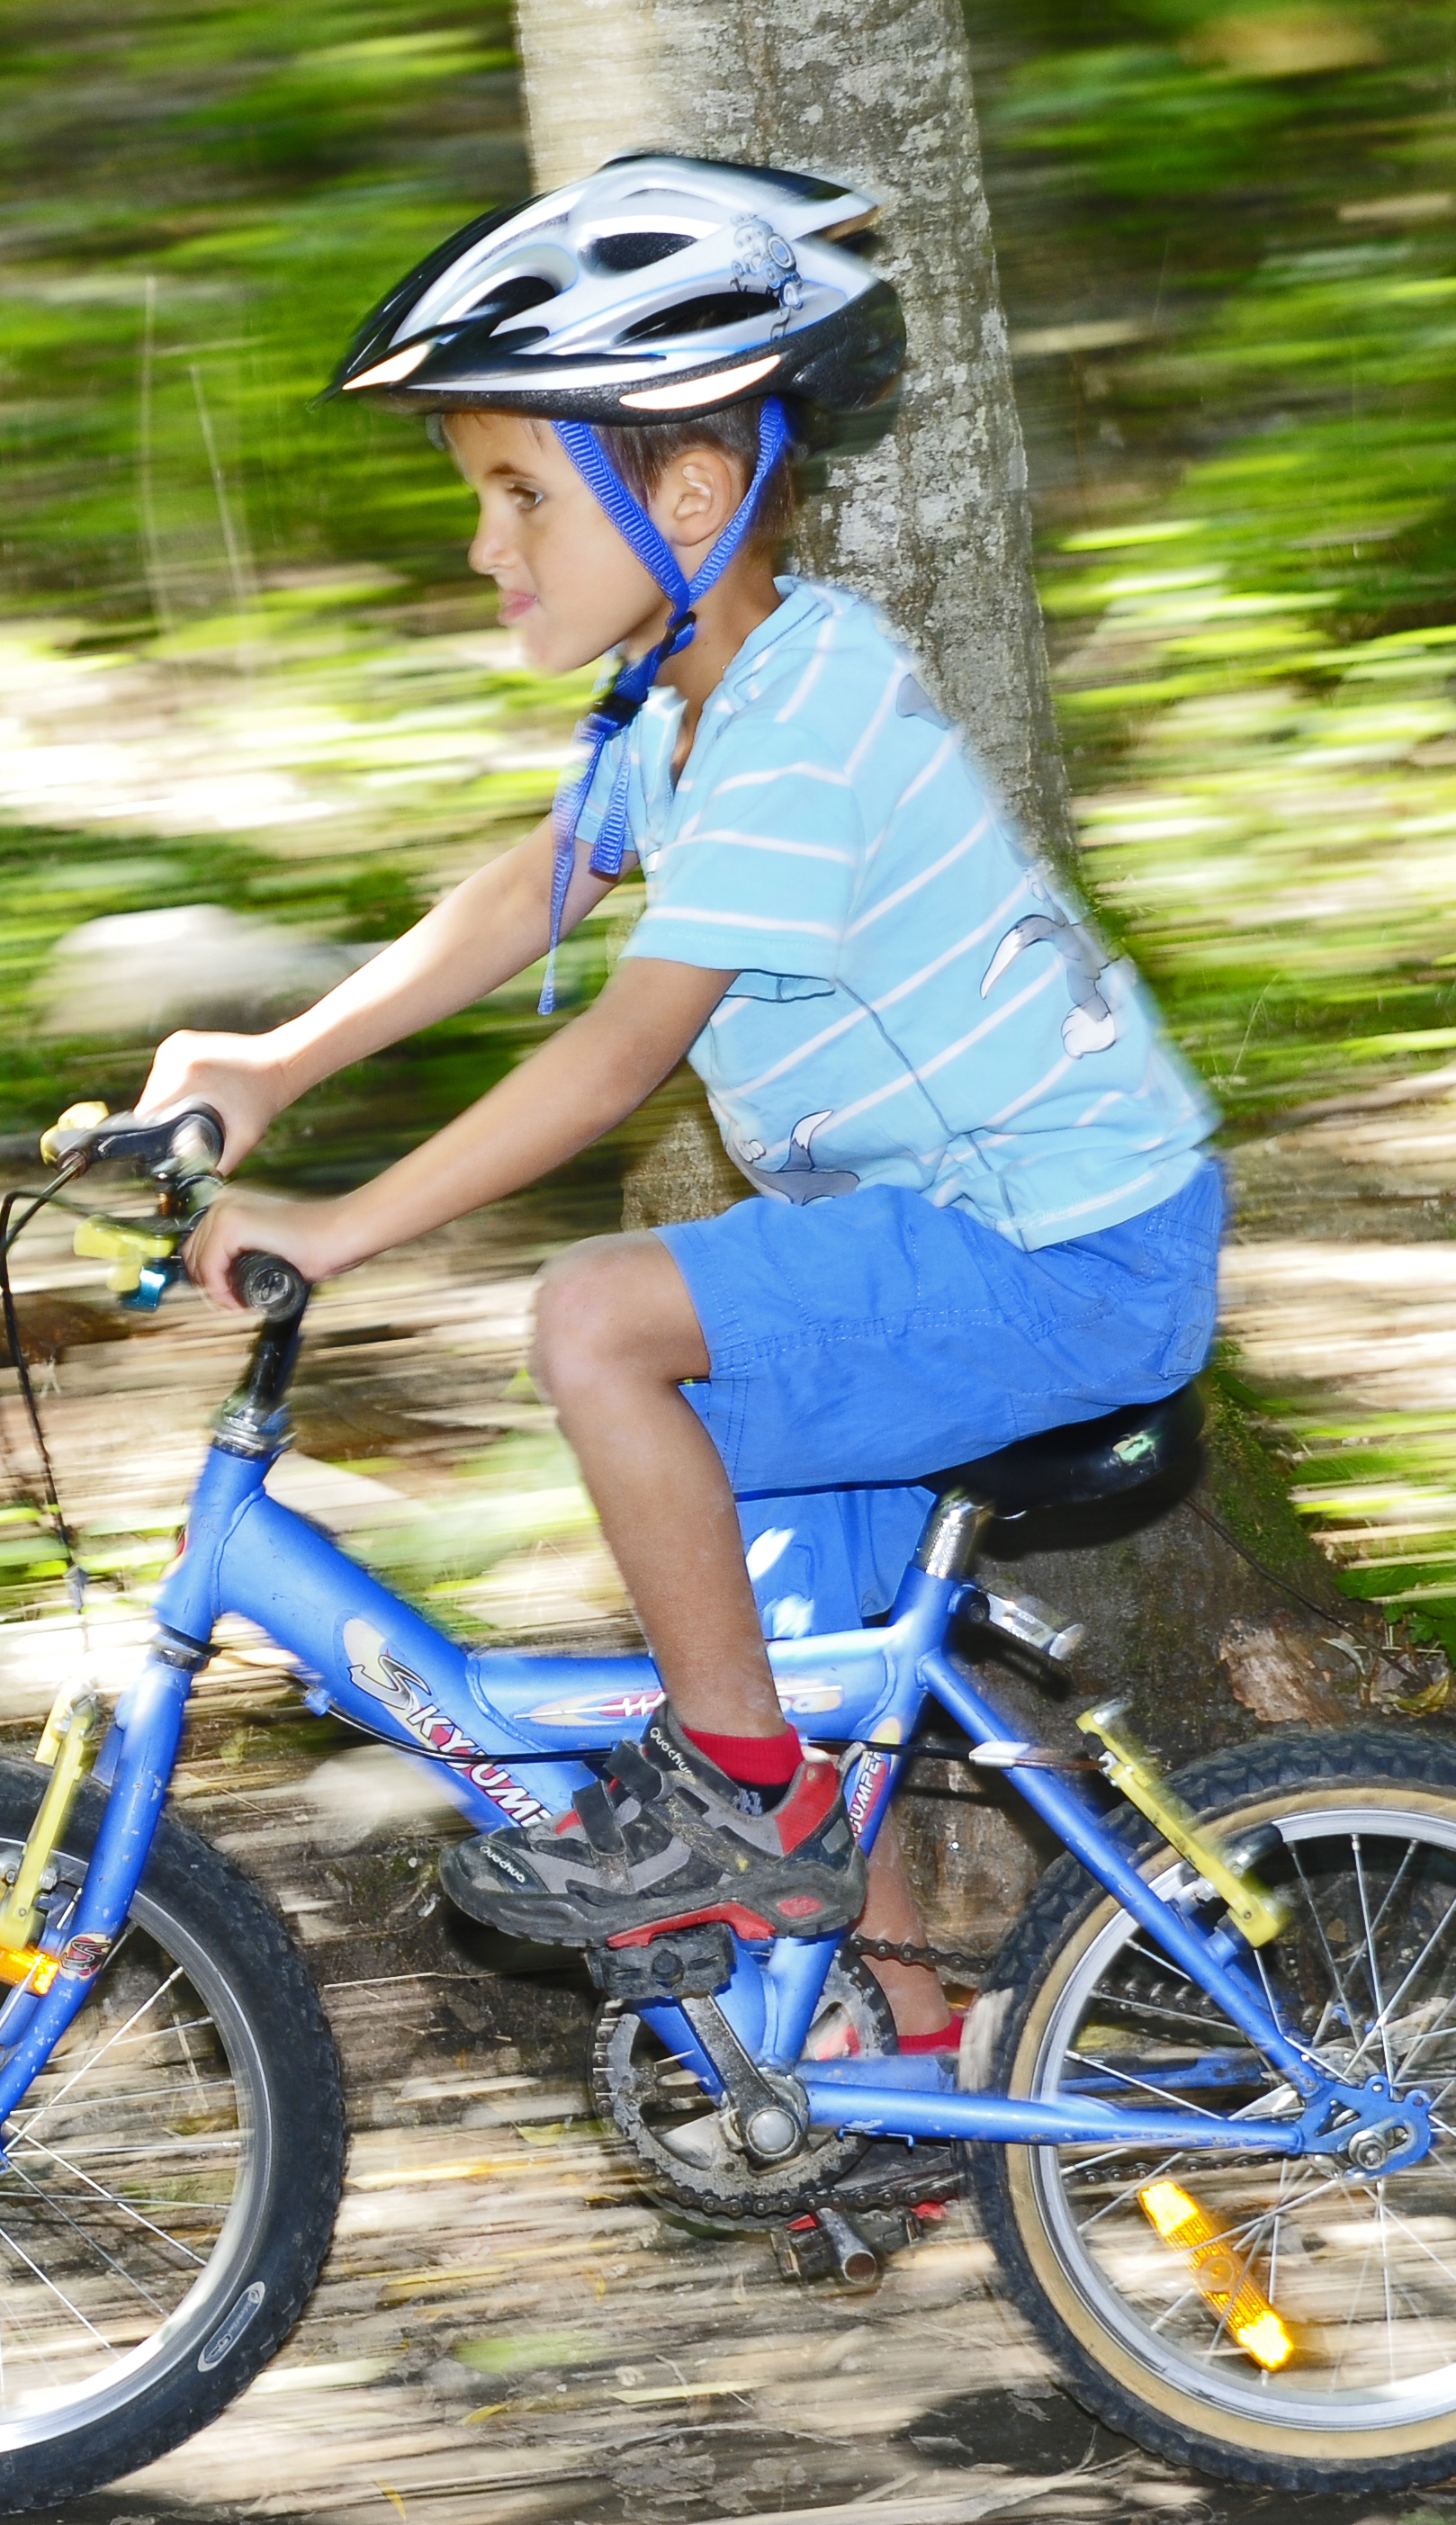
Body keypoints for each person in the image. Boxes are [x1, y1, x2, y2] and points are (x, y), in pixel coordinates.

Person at [146, 156, 1223, 2070]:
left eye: (516, 495)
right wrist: (269, 1062)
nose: (485, 547)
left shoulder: (810, 707)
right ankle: (884, 2055)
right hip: (944, 1251)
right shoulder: (689, 713)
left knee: (595, 1316)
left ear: (692, 492)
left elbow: (611, 1056)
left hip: (1051, 1253)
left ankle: (739, 1805)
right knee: (773, 1672)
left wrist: (330, 1228)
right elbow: (526, 891)